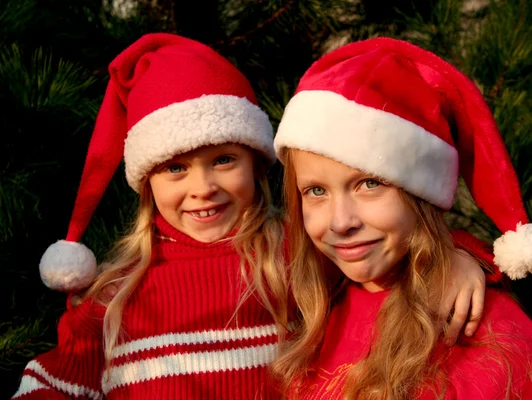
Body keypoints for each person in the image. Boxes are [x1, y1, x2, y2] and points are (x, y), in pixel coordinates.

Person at [13, 33, 488, 399]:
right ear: (146, 184)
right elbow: (55, 385)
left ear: (258, 164)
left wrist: (457, 254)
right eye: (175, 168)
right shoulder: (114, 298)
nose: (203, 188)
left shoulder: (294, 254)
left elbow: (387, 257)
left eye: (224, 160)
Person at [272, 37, 532, 399]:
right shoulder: (316, 303)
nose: (340, 222)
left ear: (421, 194)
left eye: (369, 184)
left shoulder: (492, 341)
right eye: (316, 191)